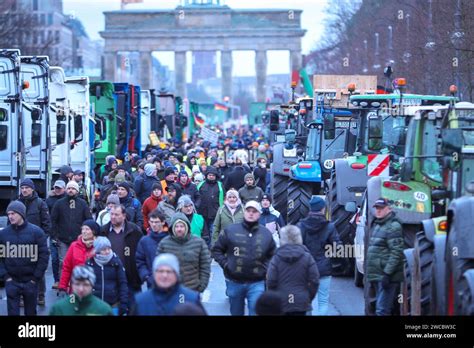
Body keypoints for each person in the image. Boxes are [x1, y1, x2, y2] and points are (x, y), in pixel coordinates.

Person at [212, 201, 276, 316]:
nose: (251, 214)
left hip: (257, 282)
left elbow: (272, 255)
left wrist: (265, 268)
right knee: (236, 312)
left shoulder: (266, 234)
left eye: (254, 211)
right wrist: (226, 265)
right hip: (235, 281)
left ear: (259, 214)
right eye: (248, 210)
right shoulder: (231, 230)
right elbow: (217, 250)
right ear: (244, 212)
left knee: (256, 311)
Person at [0, 201, 49, 316]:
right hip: (11, 281)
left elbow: (43, 256)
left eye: (13, 213)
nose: (10, 216)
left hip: (30, 281)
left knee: (31, 312)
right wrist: (6, 277)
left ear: (21, 214)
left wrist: (35, 278)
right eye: (9, 214)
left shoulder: (36, 232)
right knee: (12, 312)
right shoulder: (3, 234)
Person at [297, 196, 341, 315]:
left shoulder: (301, 226)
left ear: (310, 208)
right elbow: (338, 248)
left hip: (305, 269)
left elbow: (296, 247)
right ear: (323, 209)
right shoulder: (329, 227)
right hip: (324, 269)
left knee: (308, 302)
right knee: (323, 301)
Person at [266, 225, 319, 315]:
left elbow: (271, 281)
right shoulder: (307, 257)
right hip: (301, 301)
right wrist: (308, 297)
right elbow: (314, 280)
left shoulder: (276, 258)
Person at [366, 198, 404, 316]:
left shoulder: (393, 226)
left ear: (389, 209)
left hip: (386, 275)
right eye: (377, 208)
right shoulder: (379, 225)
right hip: (378, 275)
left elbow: (396, 252)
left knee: (382, 310)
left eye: (381, 208)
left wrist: (387, 274)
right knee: (380, 308)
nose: (378, 211)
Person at [131, 254, 205, 315]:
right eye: (160, 271)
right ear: (154, 274)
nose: (164, 275)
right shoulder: (141, 301)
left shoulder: (191, 298)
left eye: (169, 271)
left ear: (176, 274)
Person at [17, 178, 51, 305]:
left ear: (32, 189)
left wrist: (42, 240)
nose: (24, 190)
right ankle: (22, 297)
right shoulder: (16, 203)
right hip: (19, 244)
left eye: (27, 188)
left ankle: (40, 296)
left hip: (36, 244)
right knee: (20, 271)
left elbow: (47, 224)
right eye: (22, 187)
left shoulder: (40, 204)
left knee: (38, 271)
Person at [157, 213, 211, 293]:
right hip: (171, 290)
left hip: (193, 289)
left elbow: (205, 265)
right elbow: (159, 267)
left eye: (181, 226)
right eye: (176, 226)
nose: (179, 229)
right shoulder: (164, 243)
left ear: (187, 227)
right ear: (172, 228)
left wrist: (202, 285)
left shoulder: (199, 243)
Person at [99, 205, 143, 302]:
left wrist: (139, 272)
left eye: (117, 214)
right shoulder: (103, 231)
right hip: (110, 277)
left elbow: (141, 253)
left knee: (133, 308)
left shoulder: (134, 230)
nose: (113, 217)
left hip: (131, 277)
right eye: (112, 214)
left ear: (124, 216)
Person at [51, 180, 92, 278]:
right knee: (63, 263)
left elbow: (89, 220)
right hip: (62, 239)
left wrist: (86, 236)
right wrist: (55, 236)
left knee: (79, 262)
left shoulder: (82, 204)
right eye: (69, 188)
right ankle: (63, 285)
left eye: (73, 188)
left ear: (77, 191)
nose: (70, 190)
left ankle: (77, 284)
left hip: (79, 239)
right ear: (65, 190)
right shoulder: (59, 203)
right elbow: (53, 221)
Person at [86, 237, 129, 315]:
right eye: (104, 249)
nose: (107, 251)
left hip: (113, 304)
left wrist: (124, 303)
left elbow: (123, 283)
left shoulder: (116, 262)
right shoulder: (90, 264)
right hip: (94, 304)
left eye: (108, 248)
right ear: (98, 251)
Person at [58, 220, 98, 293]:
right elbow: (67, 267)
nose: (84, 231)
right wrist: (62, 287)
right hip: (76, 288)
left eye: (87, 229)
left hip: (94, 289)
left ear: (94, 231)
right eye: (83, 229)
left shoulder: (99, 246)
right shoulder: (74, 246)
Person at [136, 210, 168, 288]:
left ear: (163, 222)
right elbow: (139, 261)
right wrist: (146, 276)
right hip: (152, 283)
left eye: (156, 222)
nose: (153, 225)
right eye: (151, 222)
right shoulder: (144, 241)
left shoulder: (169, 240)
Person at [45, 179, 66, 289]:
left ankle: (64, 280)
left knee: (63, 259)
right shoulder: (49, 200)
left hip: (65, 233)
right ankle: (56, 280)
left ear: (64, 188)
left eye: (59, 188)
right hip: (53, 233)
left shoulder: (67, 200)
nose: (57, 190)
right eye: (56, 188)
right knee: (54, 258)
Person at [197, 166, 224, 241]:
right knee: (204, 234)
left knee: (213, 232)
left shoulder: (220, 185)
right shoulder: (200, 184)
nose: (211, 177)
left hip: (215, 213)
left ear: (216, 176)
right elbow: (197, 197)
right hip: (202, 213)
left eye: (213, 175)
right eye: (210, 175)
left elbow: (223, 198)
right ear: (206, 176)